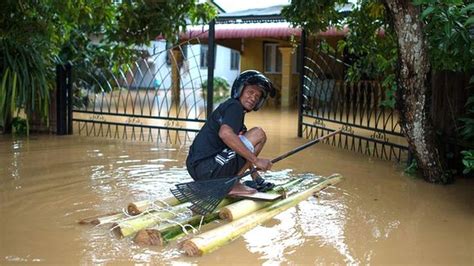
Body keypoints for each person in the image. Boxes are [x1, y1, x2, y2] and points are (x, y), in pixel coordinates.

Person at [186, 70, 276, 194]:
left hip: (199, 170)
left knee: (242, 140)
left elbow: (240, 148)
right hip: (208, 168)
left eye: (257, 96)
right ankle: (232, 184)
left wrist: (256, 177)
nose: (253, 98)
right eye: (250, 92)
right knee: (258, 134)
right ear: (240, 90)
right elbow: (225, 134)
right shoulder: (235, 107)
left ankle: (233, 182)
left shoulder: (231, 109)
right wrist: (256, 160)